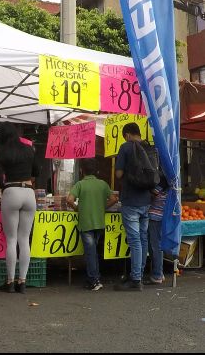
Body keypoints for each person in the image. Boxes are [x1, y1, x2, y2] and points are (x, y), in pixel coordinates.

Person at [0, 122, 39, 294]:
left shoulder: (1, 153)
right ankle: (23, 282)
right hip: (29, 193)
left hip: (11, 192)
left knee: (11, 239)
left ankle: (10, 282)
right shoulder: (29, 149)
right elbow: (37, 171)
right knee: (24, 239)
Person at [66, 158, 117, 291]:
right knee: (93, 251)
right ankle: (95, 278)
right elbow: (114, 199)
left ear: (82, 171)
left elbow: (69, 199)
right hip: (99, 223)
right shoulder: (102, 184)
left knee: (90, 252)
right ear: (96, 171)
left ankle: (94, 280)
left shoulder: (80, 184)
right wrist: (102, 207)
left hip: (86, 223)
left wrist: (77, 208)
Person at [114, 122, 153, 292]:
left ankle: (136, 279)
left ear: (128, 135)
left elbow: (119, 173)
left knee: (135, 240)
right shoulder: (149, 147)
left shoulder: (126, 147)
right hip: (146, 200)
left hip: (131, 201)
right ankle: (139, 273)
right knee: (143, 238)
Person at [146, 183, 167, 285]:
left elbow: (150, 196)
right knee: (156, 245)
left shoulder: (159, 187)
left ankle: (157, 275)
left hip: (155, 216)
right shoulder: (172, 184)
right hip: (161, 216)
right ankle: (159, 272)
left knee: (155, 246)